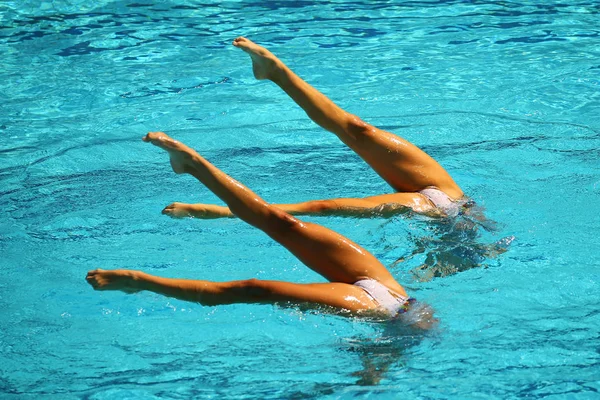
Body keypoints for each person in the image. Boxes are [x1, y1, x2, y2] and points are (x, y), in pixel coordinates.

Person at [86, 132, 434, 326]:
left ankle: (139, 282)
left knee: (254, 288)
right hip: (395, 292)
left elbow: (388, 359)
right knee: (282, 222)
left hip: (383, 313)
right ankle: (193, 163)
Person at [162, 37, 469, 220]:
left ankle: (219, 211)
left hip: (437, 211)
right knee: (357, 128)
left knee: (319, 207)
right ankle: (274, 72)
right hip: (453, 198)